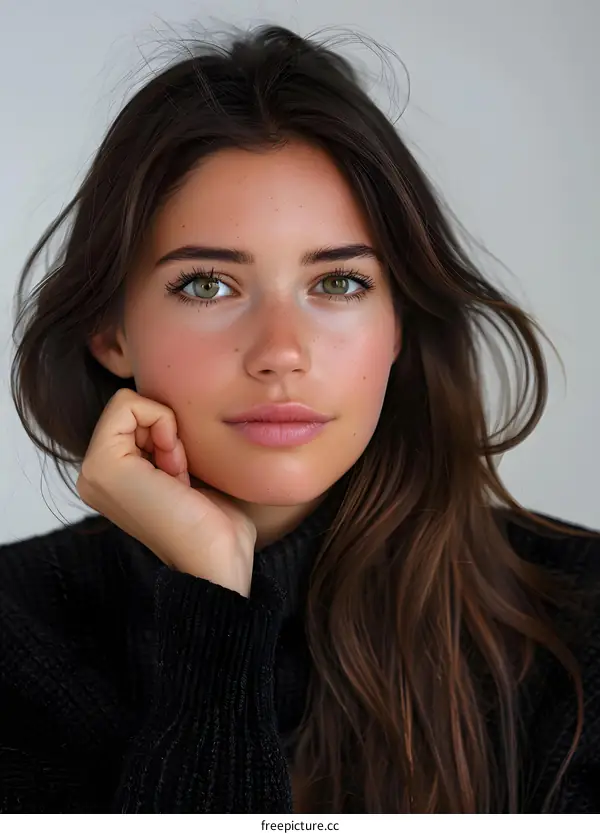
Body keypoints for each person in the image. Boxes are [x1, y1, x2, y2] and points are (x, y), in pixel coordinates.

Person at [2, 23, 599, 815]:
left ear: (400, 325)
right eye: (208, 285)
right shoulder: (17, 633)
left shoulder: (579, 620)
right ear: (110, 332)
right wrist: (213, 602)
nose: (281, 352)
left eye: (340, 283)